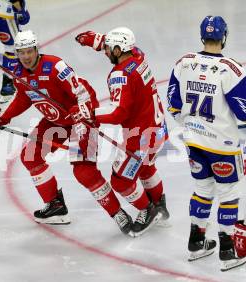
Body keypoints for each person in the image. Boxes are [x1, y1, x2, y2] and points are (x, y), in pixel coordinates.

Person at [0, 30, 136, 236]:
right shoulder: (18, 72)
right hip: (55, 121)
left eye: (28, 51)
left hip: (82, 117)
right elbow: (22, 99)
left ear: (36, 49)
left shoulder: (55, 67)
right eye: (21, 52)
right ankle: (55, 206)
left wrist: (83, 119)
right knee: (30, 156)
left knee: (84, 172)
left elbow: (83, 93)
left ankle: (118, 213)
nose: (25, 56)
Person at [167, 16, 246, 271]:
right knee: (229, 194)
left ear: (202, 36)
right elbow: (244, 112)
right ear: (224, 36)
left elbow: (173, 103)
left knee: (203, 189)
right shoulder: (231, 69)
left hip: (194, 142)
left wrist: (190, 125)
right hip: (223, 145)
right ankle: (227, 250)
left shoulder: (183, 63)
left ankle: (196, 242)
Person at [74, 27, 169, 236]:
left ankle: (148, 210)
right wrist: (98, 41)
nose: (106, 51)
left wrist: (89, 114)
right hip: (158, 128)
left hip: (140, 137)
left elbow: (119, 113)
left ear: (118, 49)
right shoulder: (138, 57)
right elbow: (126, 50)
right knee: (146, 167)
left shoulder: (120, 75)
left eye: (109, 48)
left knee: (121, 180)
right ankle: (159, 203)